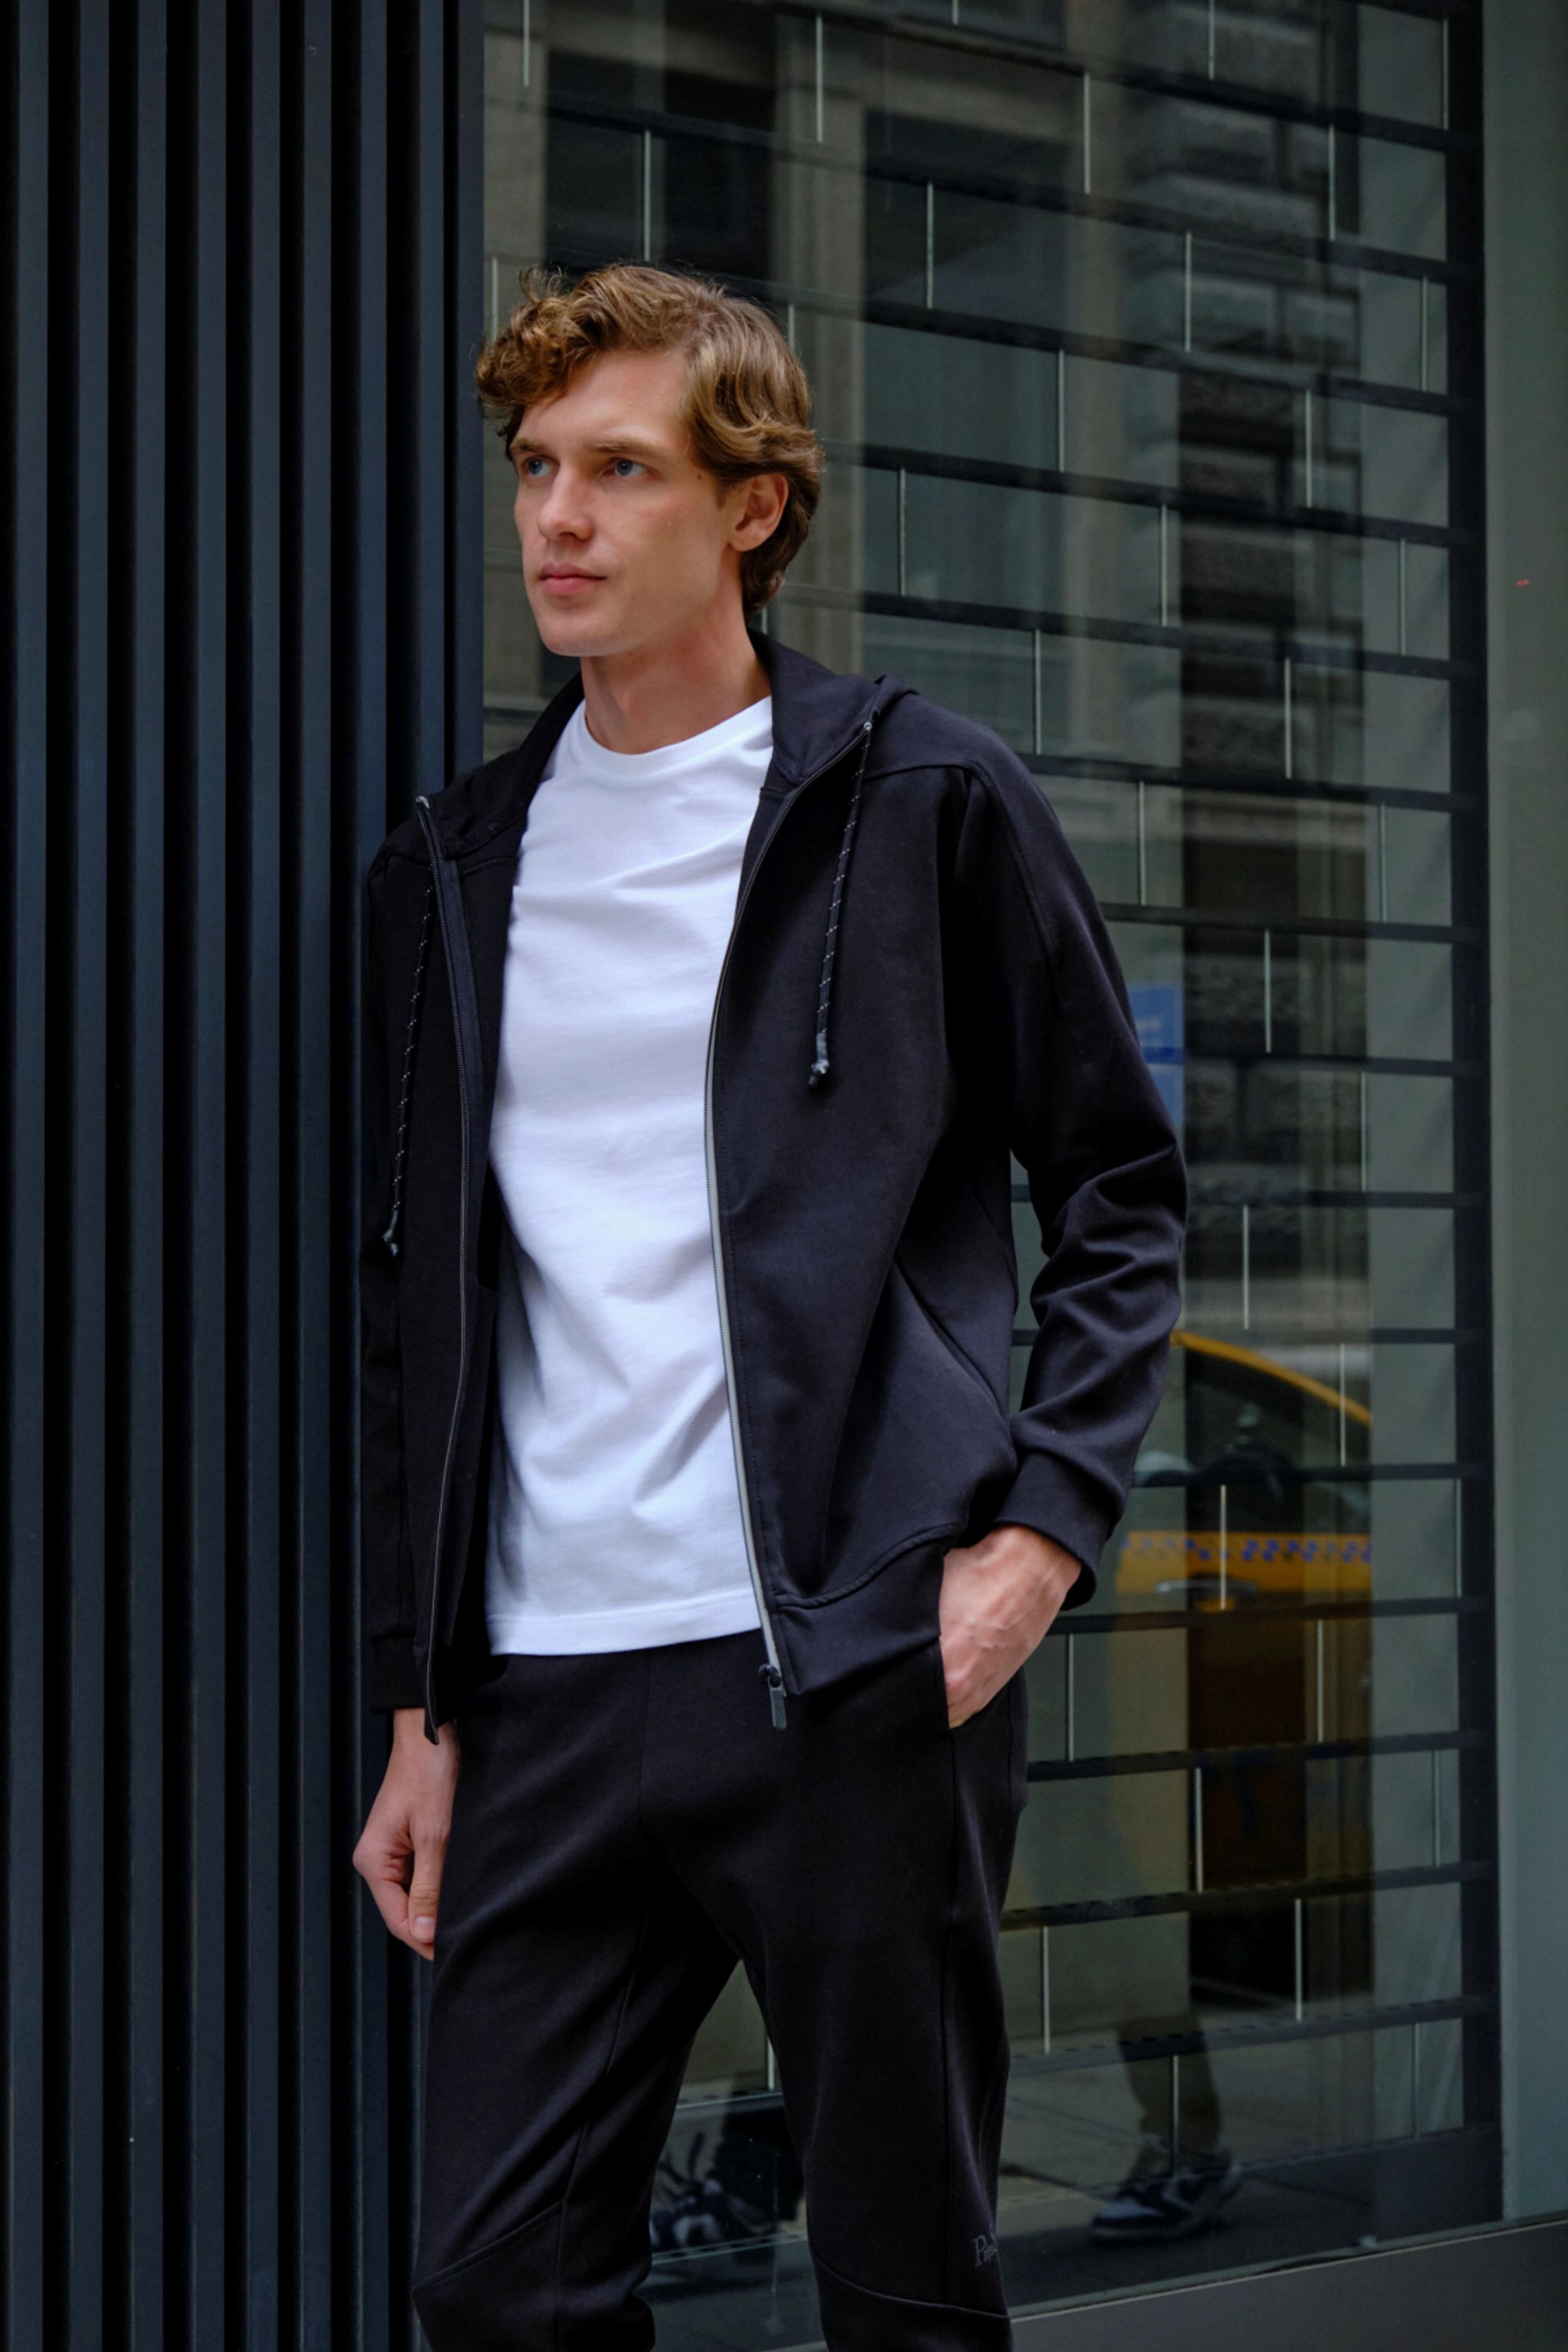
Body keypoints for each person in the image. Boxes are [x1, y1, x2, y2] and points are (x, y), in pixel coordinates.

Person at [352, 262, 1185, 2350]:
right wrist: (419, 1705)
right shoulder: (453, 869)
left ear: (751, 506)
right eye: (535, 466)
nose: (558, 516)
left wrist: (1036, 1542)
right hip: (545, 1682)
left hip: (845, 1667)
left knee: (903, 2282)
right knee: (495, 2285)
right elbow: (418, 1310)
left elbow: (1119, 1184)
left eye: (622, 469)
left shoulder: (922, 800)